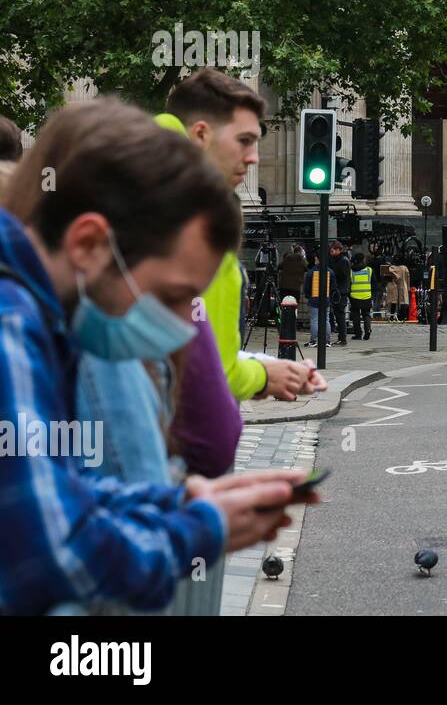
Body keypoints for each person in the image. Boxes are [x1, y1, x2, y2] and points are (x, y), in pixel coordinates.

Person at [0, 99, 310, 615]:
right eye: (170, 296)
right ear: (89, 244)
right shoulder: (11, 325)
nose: (173, 331)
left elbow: (61, 493)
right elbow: (55, 556)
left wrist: (178, 503)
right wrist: (200, 528)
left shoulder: (48, 317)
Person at [162, 68, 320, 401]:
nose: (253, 158)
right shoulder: (194, 221)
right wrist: (266, 375)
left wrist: (267, 368)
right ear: (201, 135)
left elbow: (184, 349)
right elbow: (209, 376)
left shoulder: (144, 188)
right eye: (244, 141)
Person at [302, 255, 336, 348]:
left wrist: (309, 296)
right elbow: (333, 287)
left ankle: (314, 341)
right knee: (326, 320)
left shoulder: (311, 272)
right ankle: (327, 341)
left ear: (317, 259)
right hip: (326, 298)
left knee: (314, 320)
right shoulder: (330, 271)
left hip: (314, 299)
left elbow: (307, 287)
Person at [327, 240, 352, 346]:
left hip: (340, 291)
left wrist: (332, 275)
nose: (331, 253)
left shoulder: (343, 261)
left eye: (332, 250)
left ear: (338, 250)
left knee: (340, 315)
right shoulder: (336, 259)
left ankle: (343, 338)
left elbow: (342, 276)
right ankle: (341, 338)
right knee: (338, 315)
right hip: (338, 290)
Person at [351, 250, 374, 340]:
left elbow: (349, 284)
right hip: (366, 296)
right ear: (363, 260)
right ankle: (367, 329)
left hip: (354, 297)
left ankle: (358, 334)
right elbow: (373, 283)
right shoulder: (369, 270)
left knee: (355, 316)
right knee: (366, 314)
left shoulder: (351, 271)